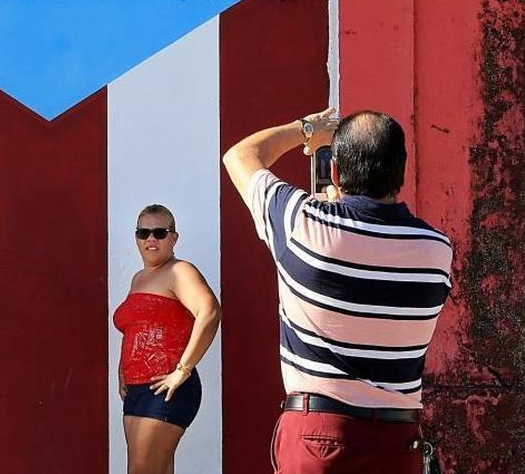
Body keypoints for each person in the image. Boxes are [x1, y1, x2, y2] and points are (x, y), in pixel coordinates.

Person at [221, 109, 452, 473]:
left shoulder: (303, 224)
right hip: (396, 441)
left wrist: (307, 129)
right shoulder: (436, 249)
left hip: (318, 437)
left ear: (335, 172)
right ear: (401, 172)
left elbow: (240, 155)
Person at [113, 204, 221, 474]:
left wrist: (182, 370)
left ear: (174, 238)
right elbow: (134, 327)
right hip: (137, 389)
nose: (151, 239)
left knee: (141, 471)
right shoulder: (139, 278)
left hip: (166, 388)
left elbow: (209, 311)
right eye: (144, 232)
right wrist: (121, 369)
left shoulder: (180, 271)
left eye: (160, 232)